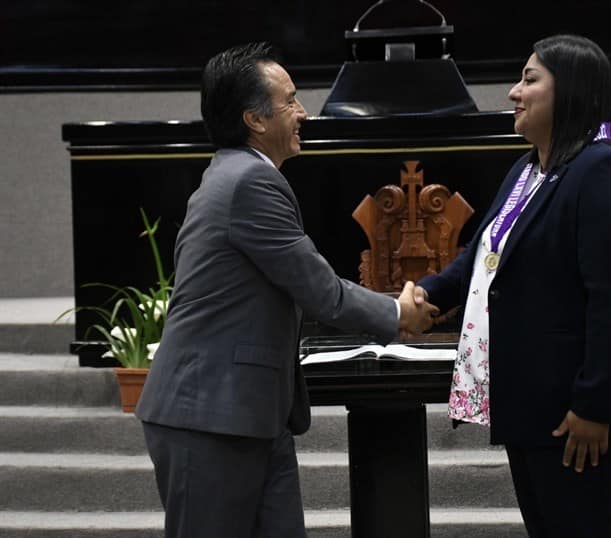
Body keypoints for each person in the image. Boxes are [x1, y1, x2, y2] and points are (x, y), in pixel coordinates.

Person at [135, 42, 437, 538]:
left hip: (250, 414)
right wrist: (398, 311)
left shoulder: (238, 175)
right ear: (254, 118)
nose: (302, 113)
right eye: (291, 101)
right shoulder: (250, 181)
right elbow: (321, 291)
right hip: (210, 416)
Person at [416, 34, 611, 537]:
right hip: (533, 407)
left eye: (530, 80)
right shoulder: (530, 169)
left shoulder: (605, 171)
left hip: (579, 418)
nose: (513, 92)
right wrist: (425, 296)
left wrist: (594, 406)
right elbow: (485, 257)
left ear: (570, 91)